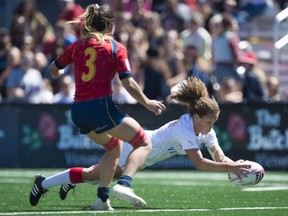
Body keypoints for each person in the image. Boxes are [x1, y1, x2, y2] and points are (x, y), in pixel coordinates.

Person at [30, 77, 251, 209]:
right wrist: (232, 168)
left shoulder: (206, 132)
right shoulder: (185, 128)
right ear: (196, 116)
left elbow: (219, 157)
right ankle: (44, 183)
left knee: (93, 175)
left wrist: (236, 165)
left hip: (143, 156)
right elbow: (200, 163)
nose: (211, 126)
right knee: (94, 176)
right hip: (134, 148)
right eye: (209, 121)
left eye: (214, 122)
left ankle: (52, 182)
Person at [29, 4, 166, 211]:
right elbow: (128, 82)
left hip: (78, 111)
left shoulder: (77, 46)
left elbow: (52, 70)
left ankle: (102, 199)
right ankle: (124, 184)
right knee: (143, 143)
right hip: (101, 108)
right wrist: (147, 103)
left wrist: (64, 74)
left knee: (114, 147)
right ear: (110, 25)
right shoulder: (115, 47)